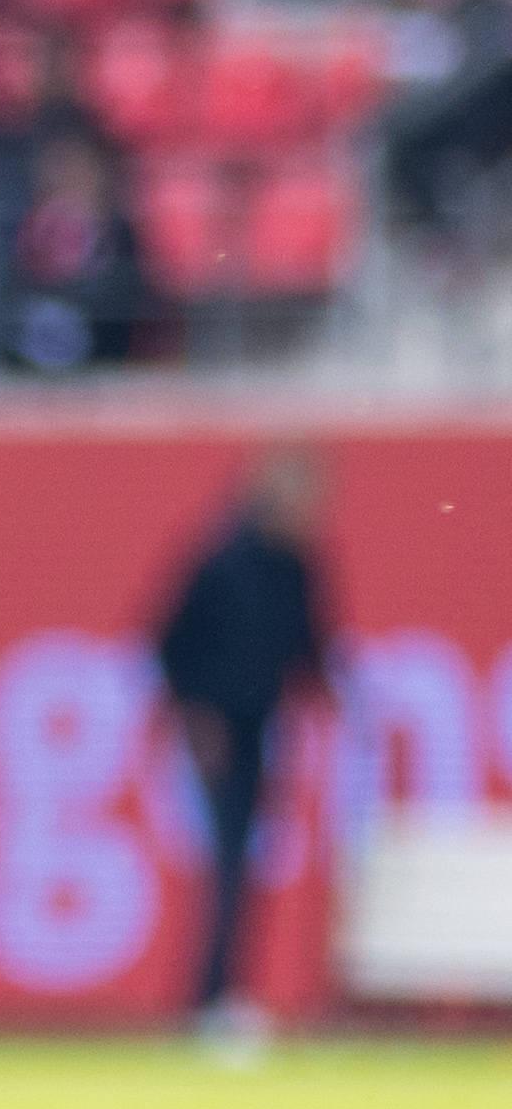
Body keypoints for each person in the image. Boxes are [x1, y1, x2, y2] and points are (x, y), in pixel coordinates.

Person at [153, 447, 334, 1051]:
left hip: (261, 728)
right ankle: (211, 1000)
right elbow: (171, 644)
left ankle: (227, 994)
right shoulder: (223, 560)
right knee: (228, 864)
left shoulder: (297, 565)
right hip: (215, 735)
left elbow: (308, 640)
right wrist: (195, 720)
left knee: (247, 865)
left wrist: (326, 689)